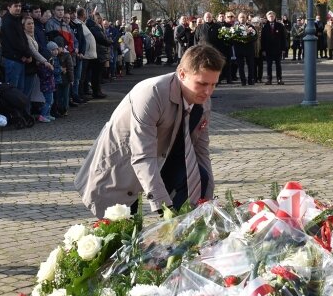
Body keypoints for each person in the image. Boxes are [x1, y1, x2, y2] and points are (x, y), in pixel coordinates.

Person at [74, 44, 225, 217]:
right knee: (124, 229)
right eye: (202, 83)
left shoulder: (203, 100)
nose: (208, 92)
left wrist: (207, 200)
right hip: (123, 164)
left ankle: (180, 235)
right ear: (182, 74)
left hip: (165, 156)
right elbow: (142, 155)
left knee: (200, 178)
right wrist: (163, 207)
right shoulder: (151, 94)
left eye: (214, 84)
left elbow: (201, 151)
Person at [260, 11, 286, 85]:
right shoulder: (265, 27)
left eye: (272, 16)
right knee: (269, 65)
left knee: (278, 65)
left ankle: (279, 79)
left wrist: (283, 49)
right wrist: (263, 50)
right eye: (269, 16)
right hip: (268, 49)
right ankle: (269, 79)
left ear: (274, 17)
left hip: (278, 49)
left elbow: (283, 38)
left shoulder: (280, 26)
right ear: (267, 18)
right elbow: (263, 39)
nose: (271, 17)